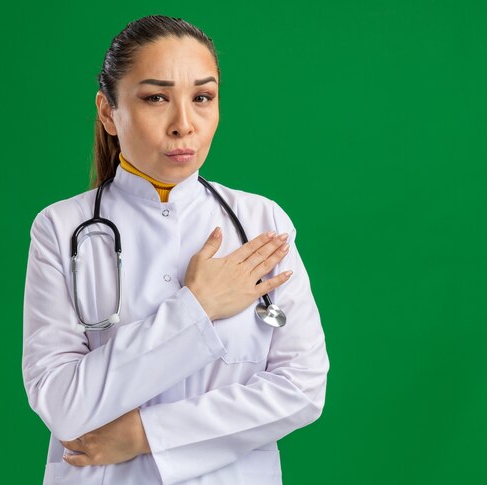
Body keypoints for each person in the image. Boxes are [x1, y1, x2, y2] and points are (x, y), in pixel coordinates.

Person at [22, 15, 329, 485]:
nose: (183, 124)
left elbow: (303, 389)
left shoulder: (262, 223)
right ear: (108, 112)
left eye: (202, 97)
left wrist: (146, 434)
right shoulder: (61, 229)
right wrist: (199, 308)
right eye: (155, 98)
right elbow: (62, 404)